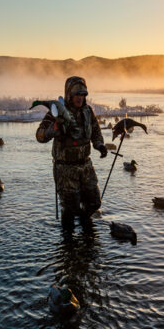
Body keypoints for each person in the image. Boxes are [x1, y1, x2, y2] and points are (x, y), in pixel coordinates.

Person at [36, 76, 107, 232]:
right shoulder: (57, 113)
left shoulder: (88, 111)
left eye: (83, 94)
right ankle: (68, 244)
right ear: (69, 95)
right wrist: (52, 129)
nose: (80, 98)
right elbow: (39, 135)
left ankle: (85, 227)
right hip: (65, 169)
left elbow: (95, 130)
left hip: (86, 165)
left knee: (95, 202)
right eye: (77, 94)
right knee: (70, 208)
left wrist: (99, 145)